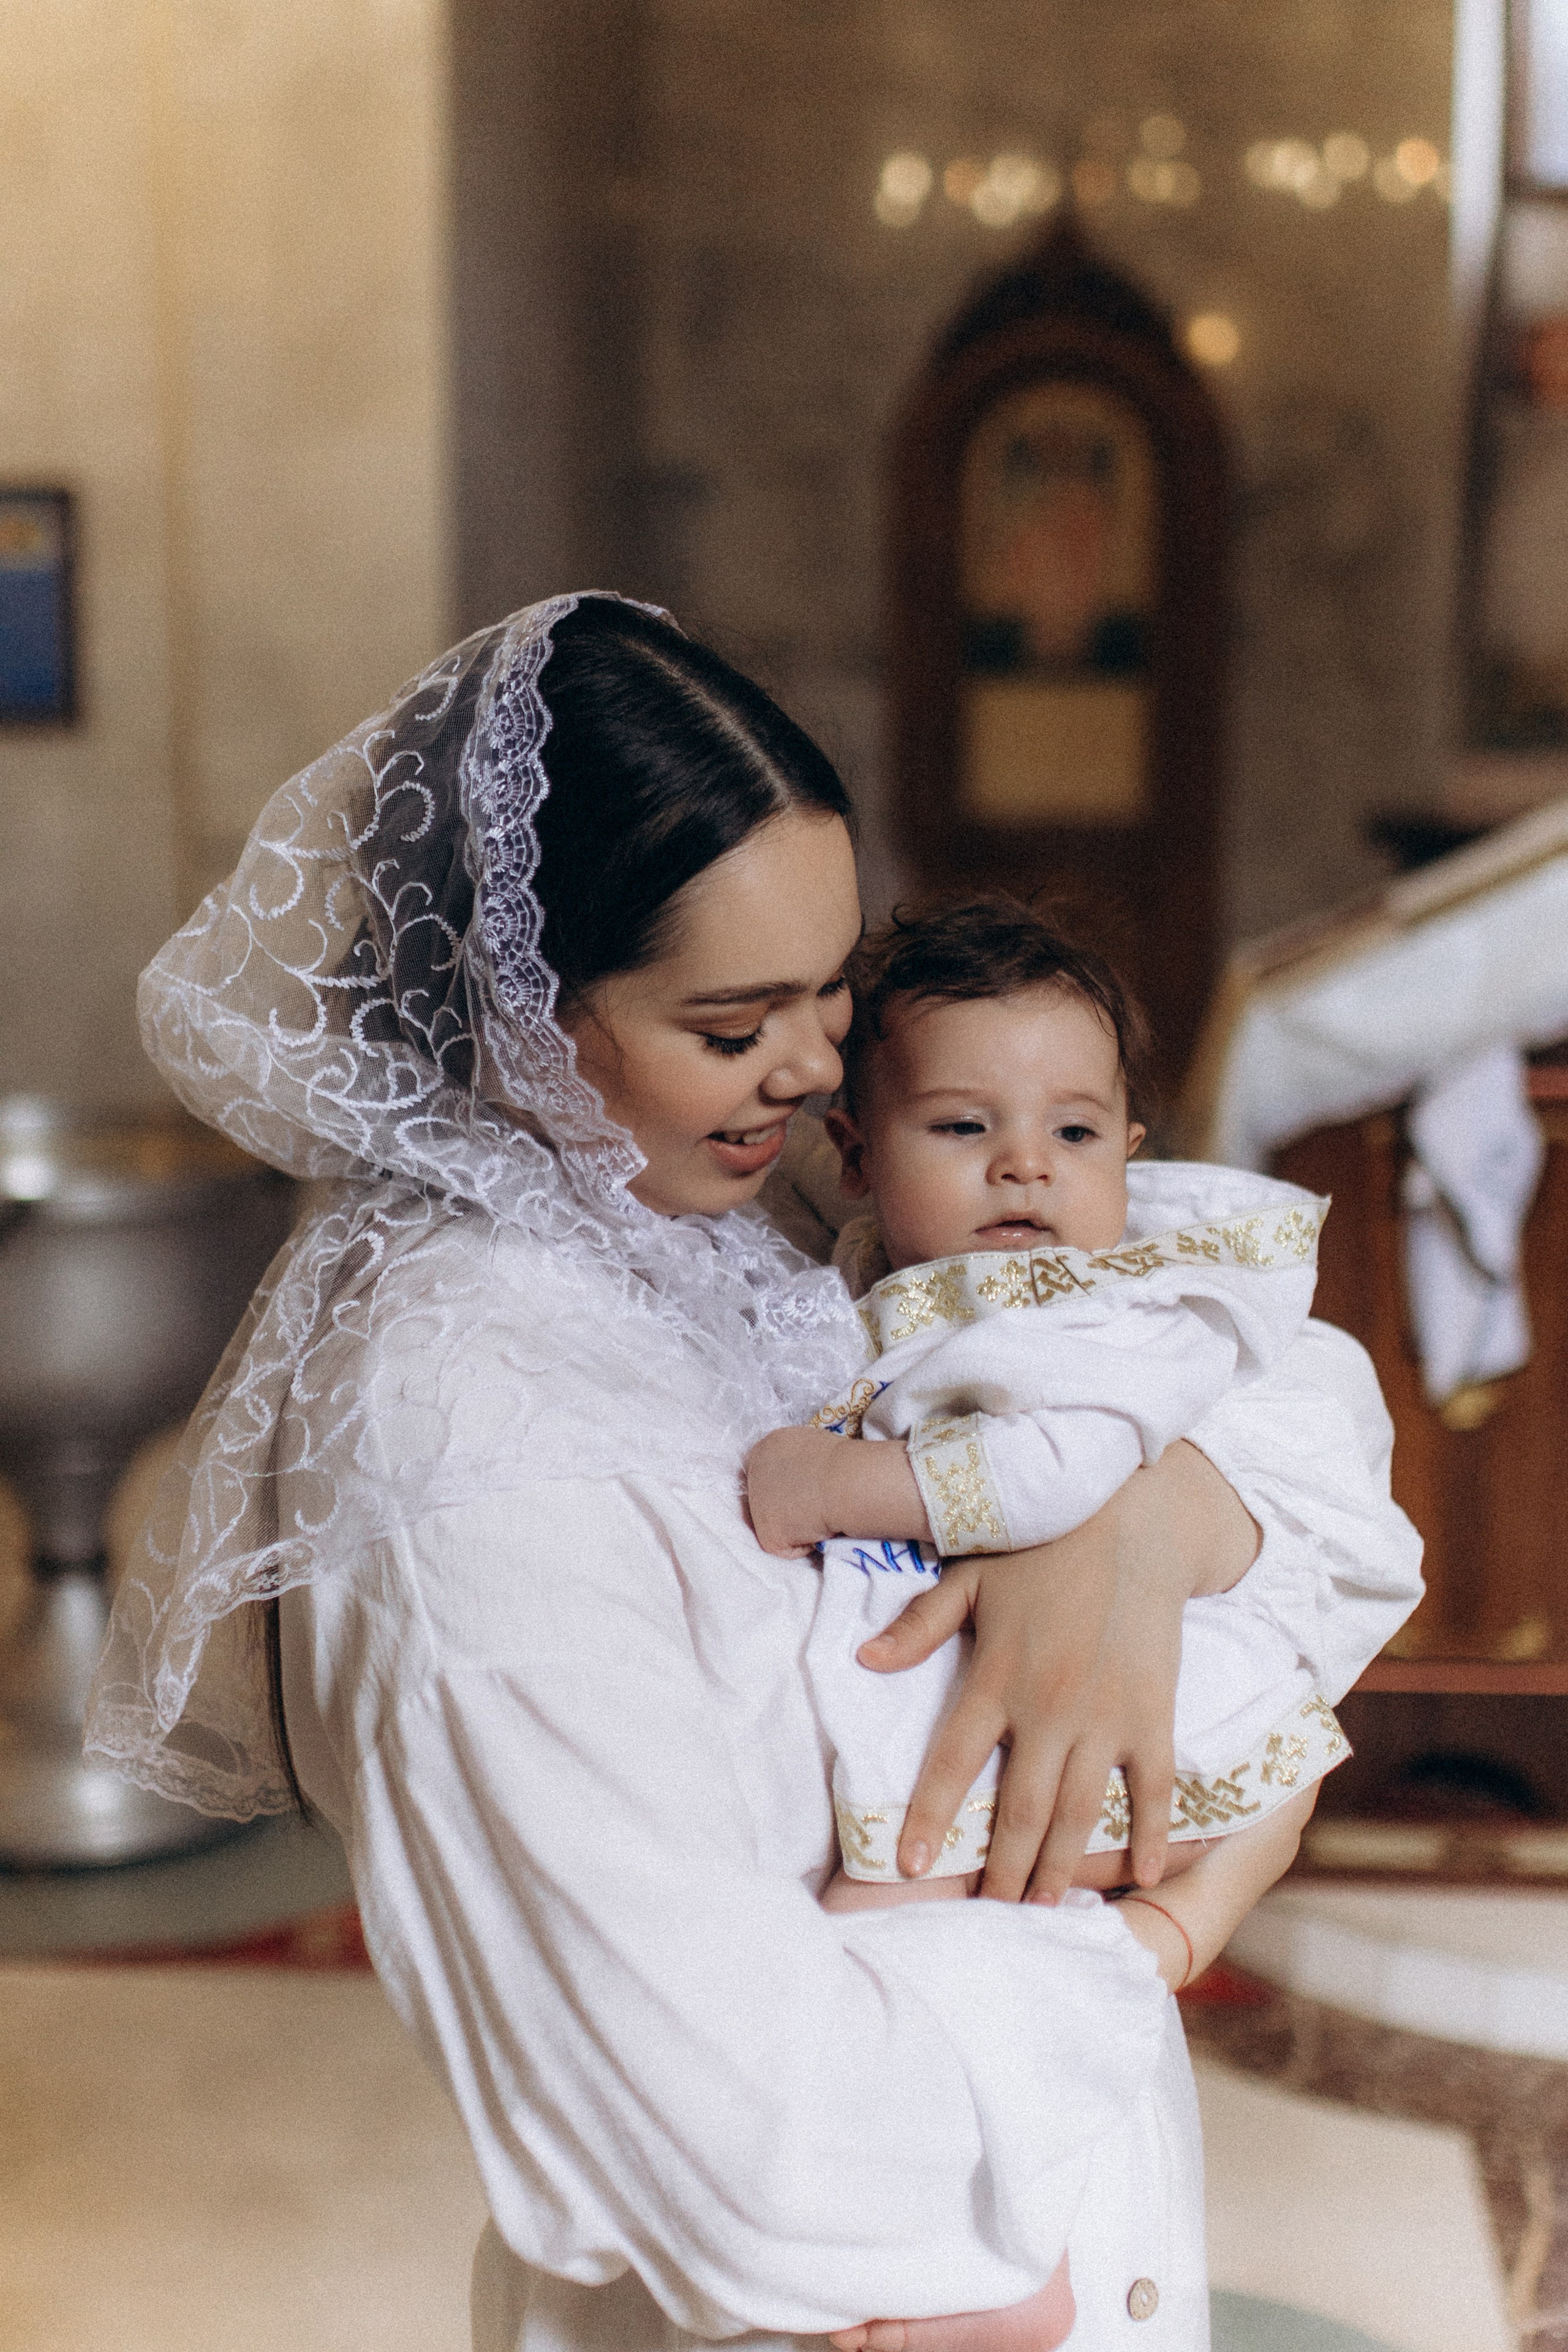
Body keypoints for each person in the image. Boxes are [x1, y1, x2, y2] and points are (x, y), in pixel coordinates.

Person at [86, 594, 1420, 2352]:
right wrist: (1152, 1943)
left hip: (1064, 2225)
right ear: (513, 1011)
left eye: (833, 992)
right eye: (733, 1024)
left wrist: (1141, 1527)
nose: (812, 1071)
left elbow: (1293, 1422)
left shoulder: (724, 1204)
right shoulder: (463, 1438)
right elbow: (752, 2147)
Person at [744, 903, 1419, 1915]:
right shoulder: (886, 1277)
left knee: (876, 1911)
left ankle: (1159, 1922)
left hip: (1156, 1720)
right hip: (1011, 1659)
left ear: (1127, 1155)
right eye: (964, 1126)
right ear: (856, 1154)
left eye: (1074, 1132)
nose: (1027, 1163)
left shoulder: (1108, 1312)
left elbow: (1052, 1475)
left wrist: (834, 1486)